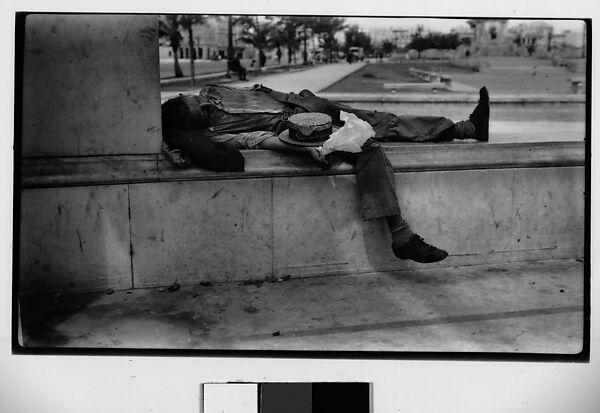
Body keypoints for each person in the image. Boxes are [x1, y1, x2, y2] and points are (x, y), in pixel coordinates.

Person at [161, 84, 490, 264]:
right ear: (193, 123)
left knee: (381, 119)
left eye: (197, 101)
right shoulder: (218, 132)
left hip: (307, 104)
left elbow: (256, 93)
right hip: (302, 130)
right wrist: (303, 147)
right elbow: (258, 138)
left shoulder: (210, 90)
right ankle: (401, 235)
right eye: (199, 111)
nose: (205, 105)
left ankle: (466, 128)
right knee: (369, 143)